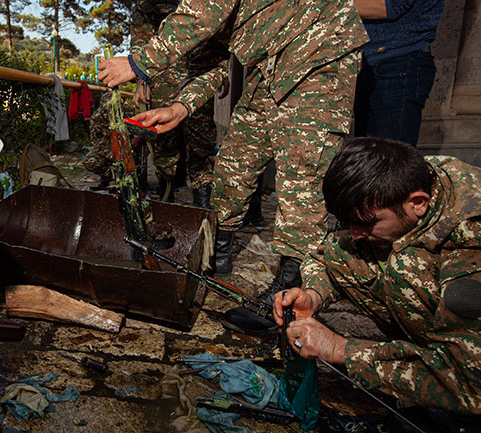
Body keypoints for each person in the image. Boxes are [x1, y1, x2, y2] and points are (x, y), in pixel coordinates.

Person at [98, 0, 368, 334]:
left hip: (317, 42)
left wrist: (139, 63)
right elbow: (212, 63)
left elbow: (204, 9)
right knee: (235, 163)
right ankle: (214, 260)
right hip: (268, 59)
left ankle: (292, 297)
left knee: (302, 174)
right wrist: (182, 108)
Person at [276, 138, 481, 428]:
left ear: (418, 204)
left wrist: (341, 349)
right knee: (342, 250)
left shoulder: (471, 247)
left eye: (367, 222)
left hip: (470, 374)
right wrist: (313, 295)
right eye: (349, 221)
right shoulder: (399, 185)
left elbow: (472, 380)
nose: (356, 233)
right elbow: (325, 257)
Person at [129, 0, 228, 208]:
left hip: (199, 74)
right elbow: (139, 41)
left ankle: (203, 211)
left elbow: (219, 30)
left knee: (200, 144)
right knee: (164, 144)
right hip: (163, 77)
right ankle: (167, 204)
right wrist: (141, 80)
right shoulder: (144, 5)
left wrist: (219, 70)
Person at [353, 0, 445, 146]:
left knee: (390, 157)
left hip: (397, 63)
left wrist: (320, 4)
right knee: (365, 157)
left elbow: (392, 6)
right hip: (367, 62)